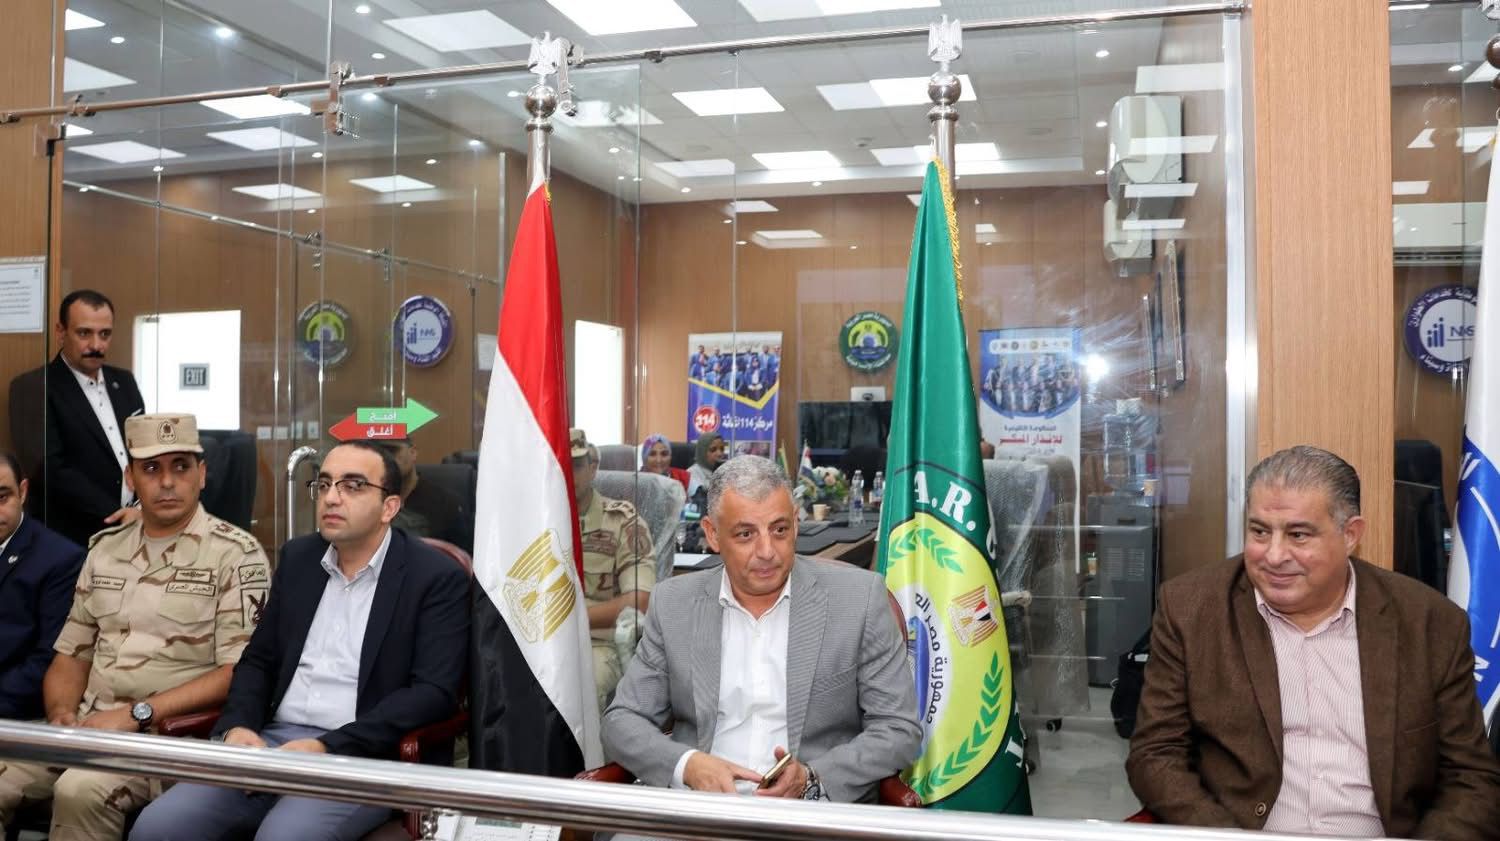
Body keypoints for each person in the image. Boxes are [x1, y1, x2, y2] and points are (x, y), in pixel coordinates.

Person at [1127, 445, 1500, 839]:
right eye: (1259, 531)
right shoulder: (1192, 610)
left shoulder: (1429, 623)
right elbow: (1155, 755)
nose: (1274, 556)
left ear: (1350, 535)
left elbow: (1471, 778)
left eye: (1298, 535)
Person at [130, 440, 470, 841]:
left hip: (362, 753)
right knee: (158, 826)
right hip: (271, 743)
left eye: (352, 486)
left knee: (285, 837)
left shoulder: (434, 577)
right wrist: (238, 727)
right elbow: (258, 661)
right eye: (324, 484)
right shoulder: (299, 559)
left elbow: (432, 693)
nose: (331, 497)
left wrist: (327, 746)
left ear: (389, 507)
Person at [0, 414, 270, 841]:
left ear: (202, 475)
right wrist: (61, 713)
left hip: (171, 738)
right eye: (151, 468)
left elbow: (238, 672)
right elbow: (72, 654)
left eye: (181, 467)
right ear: (131, 478)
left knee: (79, 790)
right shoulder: (104, 551)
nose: (167, 482)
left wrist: (134, 715)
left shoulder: (236, 555)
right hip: (89, 728)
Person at [602, 455, 921, 802]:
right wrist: (687, 765)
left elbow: (899, 729)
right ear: (712, 534)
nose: (767, 551)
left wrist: (813, 778)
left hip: (811, 813)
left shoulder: (858, 599)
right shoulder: (674, 603)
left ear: (796, 524)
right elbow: (621, 721)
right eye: (745, 534)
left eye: (779, 529)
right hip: (699, 808)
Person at [8, 290, 146, 548]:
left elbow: (142, 448)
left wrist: (141, 507)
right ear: (61, 332)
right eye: (84, 333)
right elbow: (48, 469)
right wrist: (116, 513)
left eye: (104, 334)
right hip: (71, 536)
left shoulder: (124, 382)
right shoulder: (33, 387)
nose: (96, 345)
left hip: (136, 526)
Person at [571, 429, 655, 709]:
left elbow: (639, 601)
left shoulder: (622, 521)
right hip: (538, 642)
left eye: (576, 465)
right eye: (560, 465)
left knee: (582, 686)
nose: (568, 473)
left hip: (597, 643)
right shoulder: (535, 522)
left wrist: (573, 620)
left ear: (593, 468)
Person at [0, 453, 85, 720]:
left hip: (16, 712)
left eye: (2, 498)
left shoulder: (60, 559)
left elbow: (48, 659)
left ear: (23, 492)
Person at [381, 436, 473, 554]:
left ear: (413, 453)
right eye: (380, 452)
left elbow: (461, 558)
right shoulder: (369, 500)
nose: (387, 458)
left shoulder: (446, 504)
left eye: (392, 450)